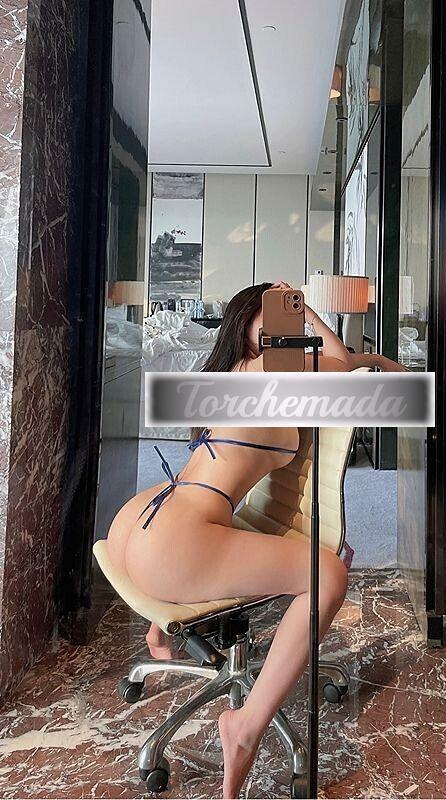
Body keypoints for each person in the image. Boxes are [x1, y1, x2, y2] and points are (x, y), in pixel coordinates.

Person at [106, 280, 405, 798]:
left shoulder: (234, 372)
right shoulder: (274, 370)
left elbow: (337, 364)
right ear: (244, 322)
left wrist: (357, 350)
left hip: (138, 523)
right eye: (274, 315)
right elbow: (343, 366)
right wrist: (312, 316)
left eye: (290, 317)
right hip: (174, 543)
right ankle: (244, 728)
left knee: (216, 526)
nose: (285, 326)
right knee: (329, 576)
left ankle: (159, 630)